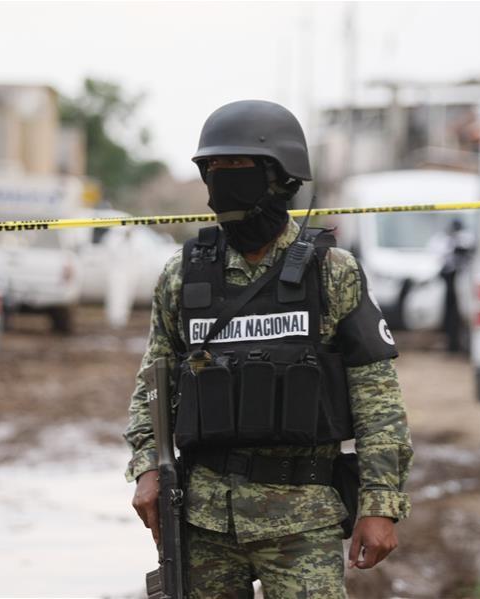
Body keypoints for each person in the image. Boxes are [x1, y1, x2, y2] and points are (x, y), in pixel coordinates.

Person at [124, 100, 412, 598]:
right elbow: (152, 388)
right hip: (204, 519)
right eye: (214, 167)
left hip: (303, 518)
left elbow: (378, 403)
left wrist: (381, 504)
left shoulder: (332, 272)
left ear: (281, 176)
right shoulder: (183, 275)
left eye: (237, 165)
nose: (223, 179)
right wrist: (148, 467)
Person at [438, 219, 475, 353]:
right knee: (452, 314)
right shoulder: (444, 241)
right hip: (451, 281)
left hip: (463, 280)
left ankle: (458, 344)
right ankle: (452, 344)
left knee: (463, 314)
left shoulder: (466, 239)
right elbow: (441, 258)